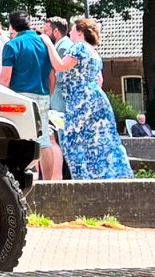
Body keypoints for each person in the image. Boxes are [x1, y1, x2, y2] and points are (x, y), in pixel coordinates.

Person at [49, 17, 134, 179]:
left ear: (80, 33)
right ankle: (114, 174)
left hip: (81, 100)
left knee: (73, 140)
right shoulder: (93, 51)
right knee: (103, 139)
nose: (71, 34)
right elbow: (99, 80)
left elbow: (60, 65)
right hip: (97, 98)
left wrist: (48, 44)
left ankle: (85, 178)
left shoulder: (79, 48)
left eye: (73, 30)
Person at [0, 10, 62, 180]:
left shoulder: (12, 45)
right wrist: (46, 93)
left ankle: (19, 180)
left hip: (19, 97)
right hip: (42, 95)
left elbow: (5, 77)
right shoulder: (44, 43)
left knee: (17, 138)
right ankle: (47, 183)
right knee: (44, 141)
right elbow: (52, 76)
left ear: (12, 26)